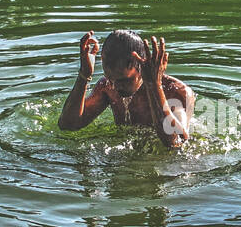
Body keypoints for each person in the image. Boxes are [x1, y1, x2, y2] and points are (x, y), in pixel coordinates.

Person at [58, 29, 195, 149]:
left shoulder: (177, 92)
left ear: (142, 65)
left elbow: (176, 143)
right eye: (110, 79)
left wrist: (154, 85)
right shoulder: (107, 87)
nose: (115, 87)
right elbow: (68, 125)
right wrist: (84, 75)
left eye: (123, 80)